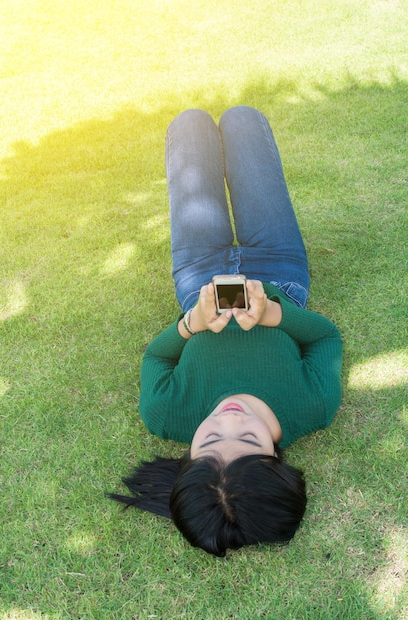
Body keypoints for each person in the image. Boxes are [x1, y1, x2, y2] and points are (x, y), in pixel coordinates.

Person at [108, 106, 343, 557]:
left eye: (211, 440)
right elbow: (325, 338)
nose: (229, 420)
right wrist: (276, 315)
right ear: (277, 459)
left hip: (198, 277)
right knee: (243, 120)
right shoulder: (314, 407)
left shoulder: (166, 414)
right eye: (249, 439)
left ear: (189, 458)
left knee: (189, 126)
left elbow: (156, 358)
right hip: (280, 271)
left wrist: (190, 325)